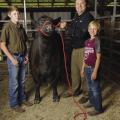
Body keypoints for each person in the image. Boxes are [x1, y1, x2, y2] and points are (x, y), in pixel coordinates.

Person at [0, 6, 32, 113]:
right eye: (14, 14)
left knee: (22, 81)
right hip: (13, 57)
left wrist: (27, 55)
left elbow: (25, 42)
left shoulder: (21, 27)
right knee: (14, 82)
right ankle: (14, 104)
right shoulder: (7, 27)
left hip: (22, 56)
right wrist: (12, 59)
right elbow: (2, 45)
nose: (17, 15)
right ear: (9, 15)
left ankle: (22, 99)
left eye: (18, 13)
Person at [60, 0, 94, 103]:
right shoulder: (75, 17)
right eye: (77, 3)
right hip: (75, 48)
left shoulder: (88, 17)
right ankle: (75, 90)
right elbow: (74, 29)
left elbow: (82, 34)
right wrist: (67, 26)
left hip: (84, 48)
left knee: (83, 72)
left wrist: (67, 27)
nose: (79, 6)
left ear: (86, 5)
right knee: (74, 71)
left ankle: (86, 93)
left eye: (81, 3)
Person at [81, 20, 103, 116]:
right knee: (89, 87)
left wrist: (95, 71)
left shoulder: (97, 41)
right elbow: (85, 57)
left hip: (93, 68)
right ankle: (91, 101)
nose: (92, 30)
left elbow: (98, 58)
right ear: (88, 29)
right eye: (90, 28)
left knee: (95, 89)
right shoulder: (86, 42)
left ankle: (98, 108)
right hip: (87, 68)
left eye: (94, 29)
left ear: (97, 30)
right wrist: (82, 69)